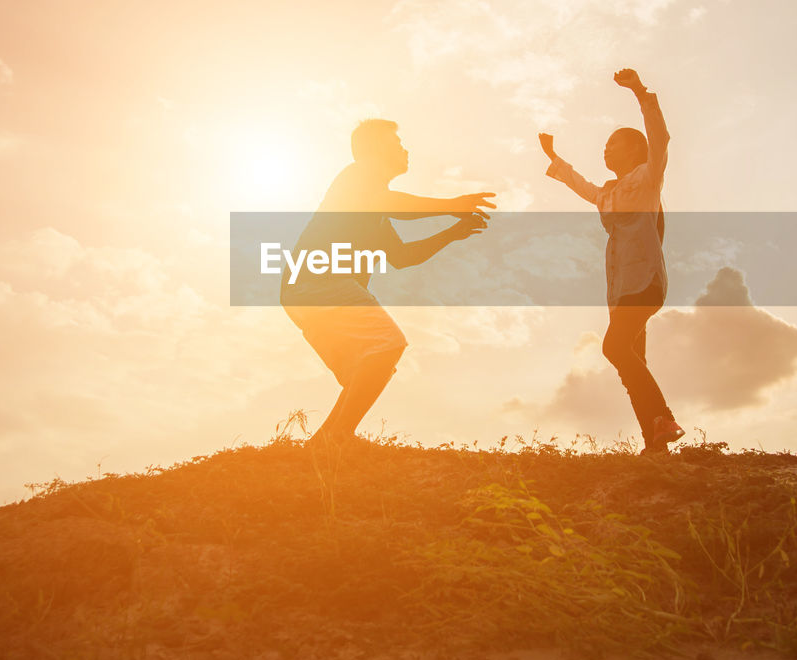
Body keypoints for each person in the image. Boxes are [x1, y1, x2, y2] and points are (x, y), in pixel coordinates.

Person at [282, 118, 495, 448]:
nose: (404, 150)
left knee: (367, 367)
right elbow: (392, 204)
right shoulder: (357, 174)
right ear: (374, 150)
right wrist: (453, 205)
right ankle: (337, 436)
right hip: (319, 280)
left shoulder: (372, 207)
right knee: (387, 345)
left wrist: (452, 234)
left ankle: (325, 442)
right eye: (397, 145)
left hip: (303, 292)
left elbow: (401, 257)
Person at [538, 68, 685, 455]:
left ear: (635, 151)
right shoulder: (609, 193)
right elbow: (581, 186)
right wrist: (554, 157)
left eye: (613, 144)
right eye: (604, 145)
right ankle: (655, 445)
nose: (606, 150)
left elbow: (660, 136)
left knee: (614, 349)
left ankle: (664, 418)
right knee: (631, 359)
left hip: (645, 281)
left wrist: (639, 92)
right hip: (620, 289)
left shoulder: (648, 175)